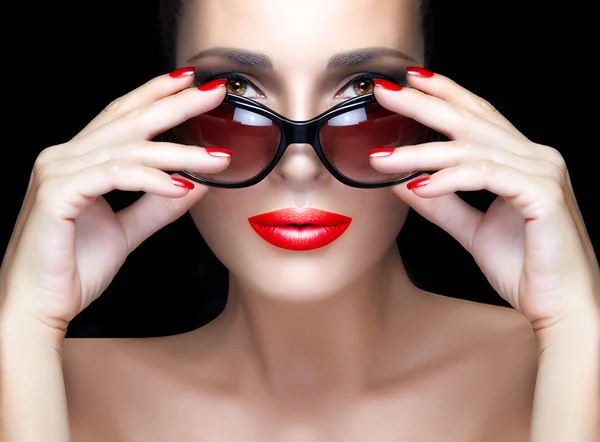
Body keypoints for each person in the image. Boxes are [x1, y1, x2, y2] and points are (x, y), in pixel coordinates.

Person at [1, 0, 598, 440]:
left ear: (439, 118)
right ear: (160, 122)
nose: (301, 164)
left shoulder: (560, 362)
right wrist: (22, 327)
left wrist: (577, 331)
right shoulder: (54, 383)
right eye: (237, 95)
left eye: (361, 94)